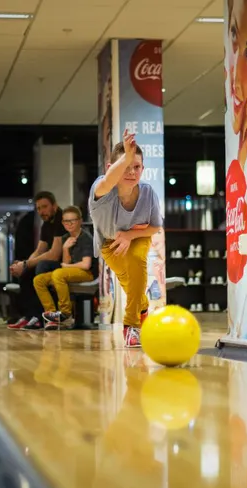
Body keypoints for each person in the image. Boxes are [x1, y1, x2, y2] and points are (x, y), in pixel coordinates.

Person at [89, 130, 162, 347]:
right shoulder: (101, 188)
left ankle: (131, 326)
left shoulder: (148, 192)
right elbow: (110, 179)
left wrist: (131, 234)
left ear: (143, 169)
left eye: (137, 166)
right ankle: (143, 307)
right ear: (111, 168)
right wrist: (127, 157)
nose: (131, 171)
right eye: (126, 166)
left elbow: (155, 226)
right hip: (109, 245)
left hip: (138, 237)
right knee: (131, 284)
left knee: (137, 261)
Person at [7, 191, 68, 330]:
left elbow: (54, 254)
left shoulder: (61, 219)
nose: (41, 211)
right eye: (39, 208)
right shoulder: (46, 224)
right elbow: (39, 250)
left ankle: (39, 317)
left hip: (67, 263)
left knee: (41, 267)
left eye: (45, 206)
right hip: (54, 263)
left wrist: (26, 264)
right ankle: (29, 316)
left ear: (54, 205)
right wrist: (24, 266)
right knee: (26, 272)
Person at [33, 205, 97, 330]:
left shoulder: (86, 238)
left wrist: (67, 266)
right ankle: (52, 315)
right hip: (71, 272)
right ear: (62, 222)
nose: (69, 224)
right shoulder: (65, 238)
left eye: (72, 220)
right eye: (66, 221)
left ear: (79, 221)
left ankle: (65, 313)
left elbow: (86, 264)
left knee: (58, 274)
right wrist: (65, 248)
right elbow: (65, 262)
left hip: (87, 273)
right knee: (39, 280)